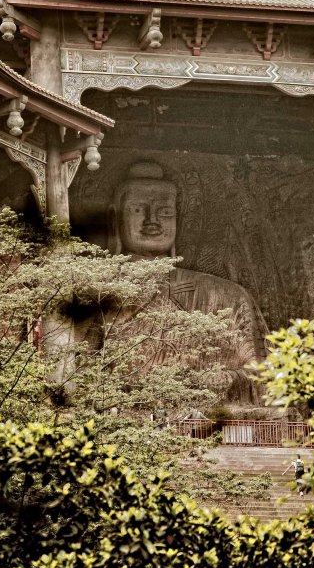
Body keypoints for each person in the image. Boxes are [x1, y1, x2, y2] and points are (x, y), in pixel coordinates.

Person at [108, 161, 268, 399]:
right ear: (115, 219)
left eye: (165, 212)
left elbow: (260, 377)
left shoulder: (228, 297)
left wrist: (221, 379)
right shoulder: (95, 295)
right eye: (138, 210)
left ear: (179, 220)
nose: (152, 221)